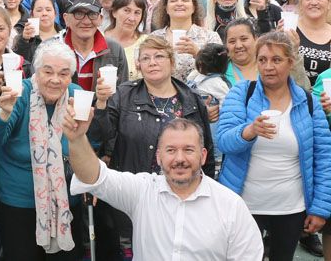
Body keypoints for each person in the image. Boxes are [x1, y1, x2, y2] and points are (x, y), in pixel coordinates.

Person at [66, 115, 262, 259]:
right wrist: (77, 139)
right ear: (159, 157)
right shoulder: (142, 191)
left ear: (203, 156)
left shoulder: (231, 206)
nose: (179, 159)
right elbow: (94, 176)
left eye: (188, 150)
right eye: (171, 150)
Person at [93, 35, 216, 255]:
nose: (152, 62)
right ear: (138, 65)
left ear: (172, 62)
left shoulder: (191, 99)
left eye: (159, 56)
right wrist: (101, 104)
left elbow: (205, 147)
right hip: (133, 196)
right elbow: (101, 136)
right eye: (146, 58)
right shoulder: (123, 94)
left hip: (179, 195)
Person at [217, 31, 331, 260]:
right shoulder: (242, 93)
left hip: (291, 207)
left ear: (291, 62)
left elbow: (324, 157)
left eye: (277, 60)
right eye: (262, 60)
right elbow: (224, 140)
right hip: (243, 204)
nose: (268, 66)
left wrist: (320, 208)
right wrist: (248, 132)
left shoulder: (307, 101)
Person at [0, 40, 85, 260]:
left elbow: (90, 143)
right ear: (36, 72)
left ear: (71, 76)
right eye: (48, 71)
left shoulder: (76, 96)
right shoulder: (21, 92)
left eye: (63, 73)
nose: (55, 79)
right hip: (19, 204)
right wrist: (4, 114)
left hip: (65, 204)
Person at [60, 0, 129, 92]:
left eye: (92, 14)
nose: (86, 21)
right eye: (78, 14)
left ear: (100, 18)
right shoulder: (53, 49)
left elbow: (124, 93)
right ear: (66, 19)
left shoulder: (114, 49)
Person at [150, 0, 222, 82]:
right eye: (173, 1)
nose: (179, 4)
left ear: (193, 8)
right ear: (166, 8)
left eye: (185, 0)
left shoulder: (210, 37)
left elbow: (219, 71)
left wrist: (198, 53)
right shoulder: (154, 38)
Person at [223, 18, 311, 89]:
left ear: (256, 39)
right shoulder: (220, 71)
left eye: (244, 39)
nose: (238, 45)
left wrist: (293, 51)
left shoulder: (273, 64)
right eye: (232, 41)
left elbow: (304, 89)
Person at [103, 0, 147, 80]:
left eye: (137, 12)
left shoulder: (147, 43)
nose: (132, 18)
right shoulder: (100, 39)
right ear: (114, 12)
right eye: (127, 11)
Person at [296, 0, 331, 85]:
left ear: (329, 3)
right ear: (301, 3)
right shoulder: (289, 29)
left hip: (325, 98)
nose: (314, 2)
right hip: (293, 97)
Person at [14, 0, 62, 64]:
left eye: (48, 10)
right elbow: (19, 63)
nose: (44, 13)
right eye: (39, 10)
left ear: (55, 13)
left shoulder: (65, 35)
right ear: (31, 14)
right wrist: (24, 41)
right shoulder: (25, 38)